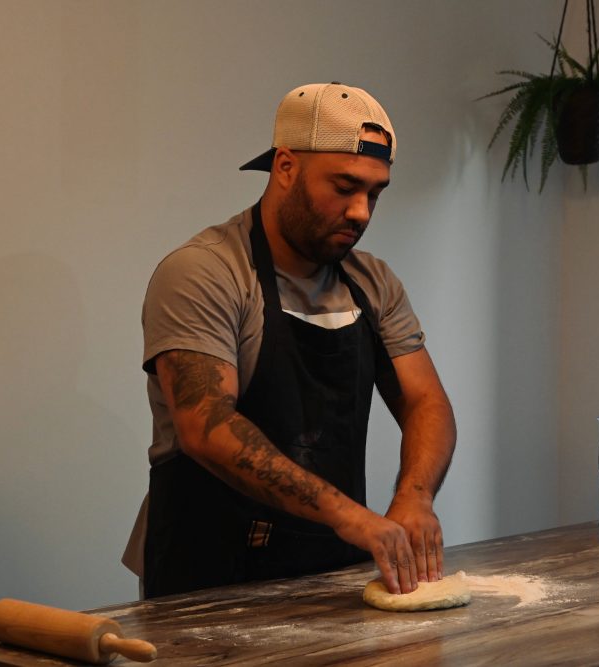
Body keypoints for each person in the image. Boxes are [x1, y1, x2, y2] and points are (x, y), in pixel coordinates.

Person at [122, 82, 457, 599]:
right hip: (207, 576)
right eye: (344, 187)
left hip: (331, 570)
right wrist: (350, 515)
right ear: (284, 167)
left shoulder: (373, 284)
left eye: (374, 193)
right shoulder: (204, 272)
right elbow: (206, 426)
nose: (361, 212)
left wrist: (415, 496)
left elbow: (425, 400)